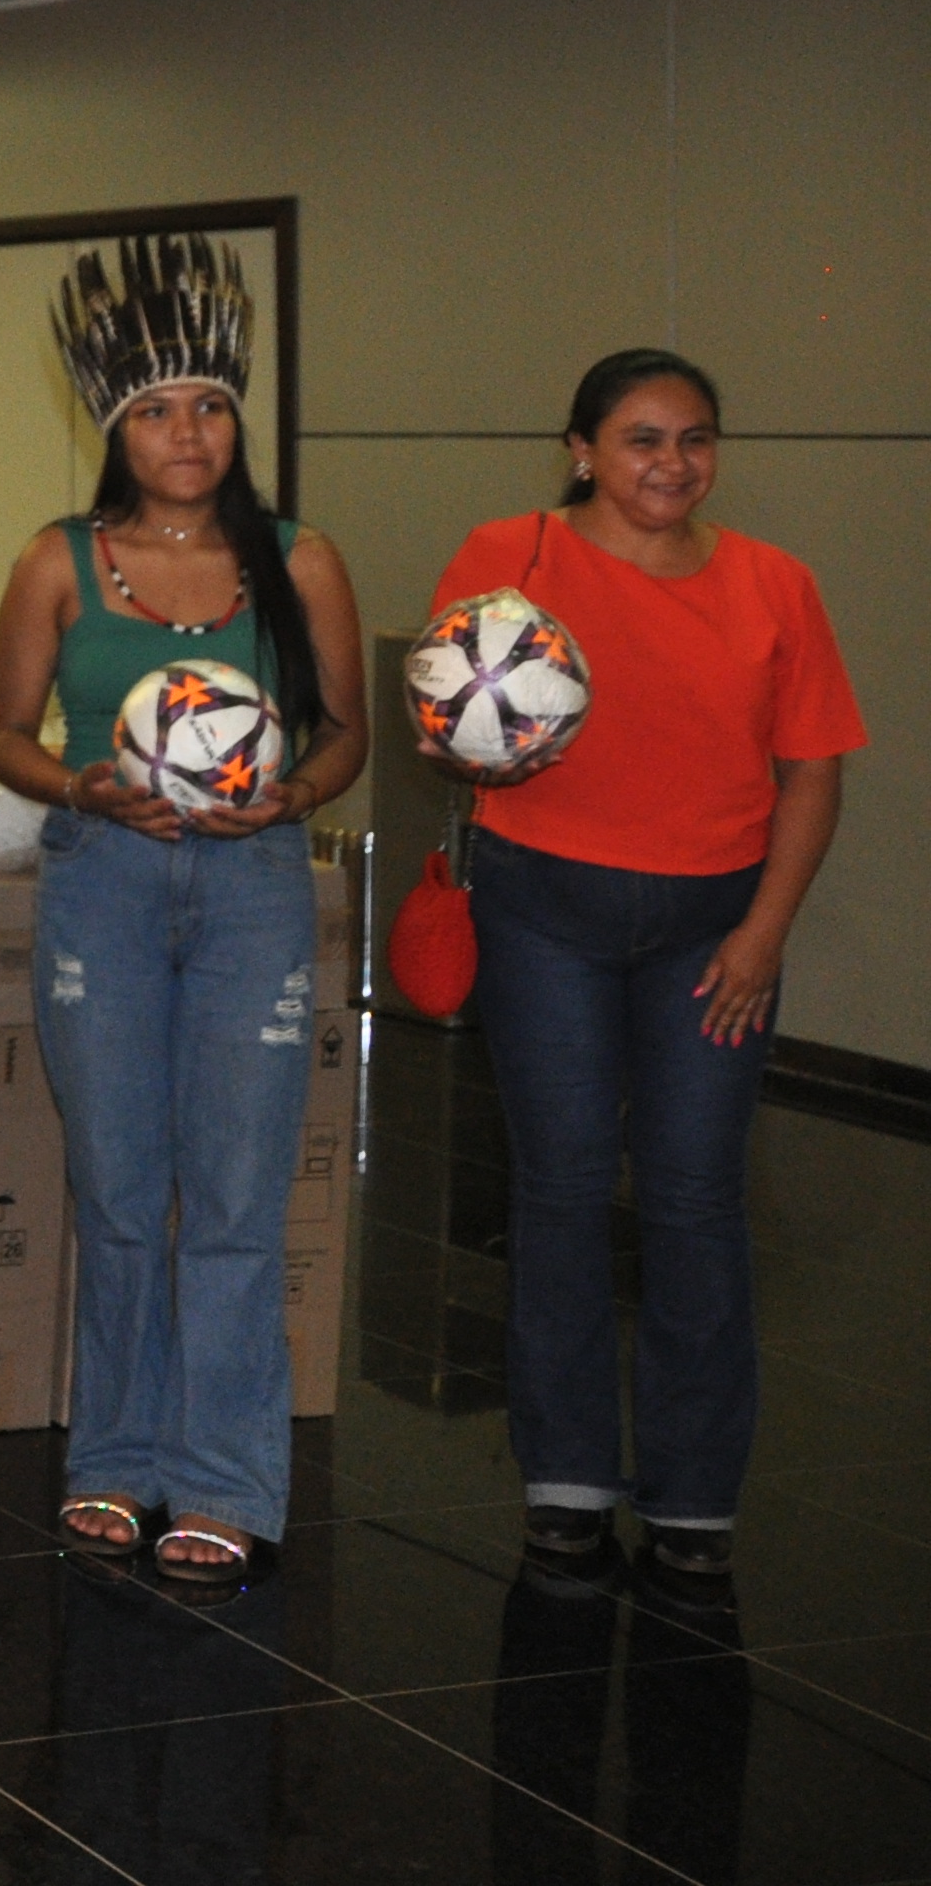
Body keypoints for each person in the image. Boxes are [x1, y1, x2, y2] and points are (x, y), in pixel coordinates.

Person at [425, 349, 862, 1586]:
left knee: (692, 1197)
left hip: (711, 932)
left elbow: (814, 770)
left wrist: (763, 931)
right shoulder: (509, 556)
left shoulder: (775, 583)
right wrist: (475, 759)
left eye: (694, 439)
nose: (670, 464)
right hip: (540, 914)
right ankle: (565, 1478)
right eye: (639, 440)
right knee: (559, 1191)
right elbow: (448, 725)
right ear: (580, 450)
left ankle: (694, 1495)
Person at [0, 236, 367, 1583]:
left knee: (241, 1190)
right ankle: (118, 1461)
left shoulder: (302, 559)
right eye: (154, 409)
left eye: (206, 404)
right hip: (107, 879)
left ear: (237, 420)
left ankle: (229, 1478)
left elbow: (346, 738)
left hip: (258, 888)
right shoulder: (59, 561)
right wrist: (81, 786)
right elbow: (4, 740)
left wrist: (289, 798)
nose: (185, 430)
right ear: (115, 428)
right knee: (124, 1189)